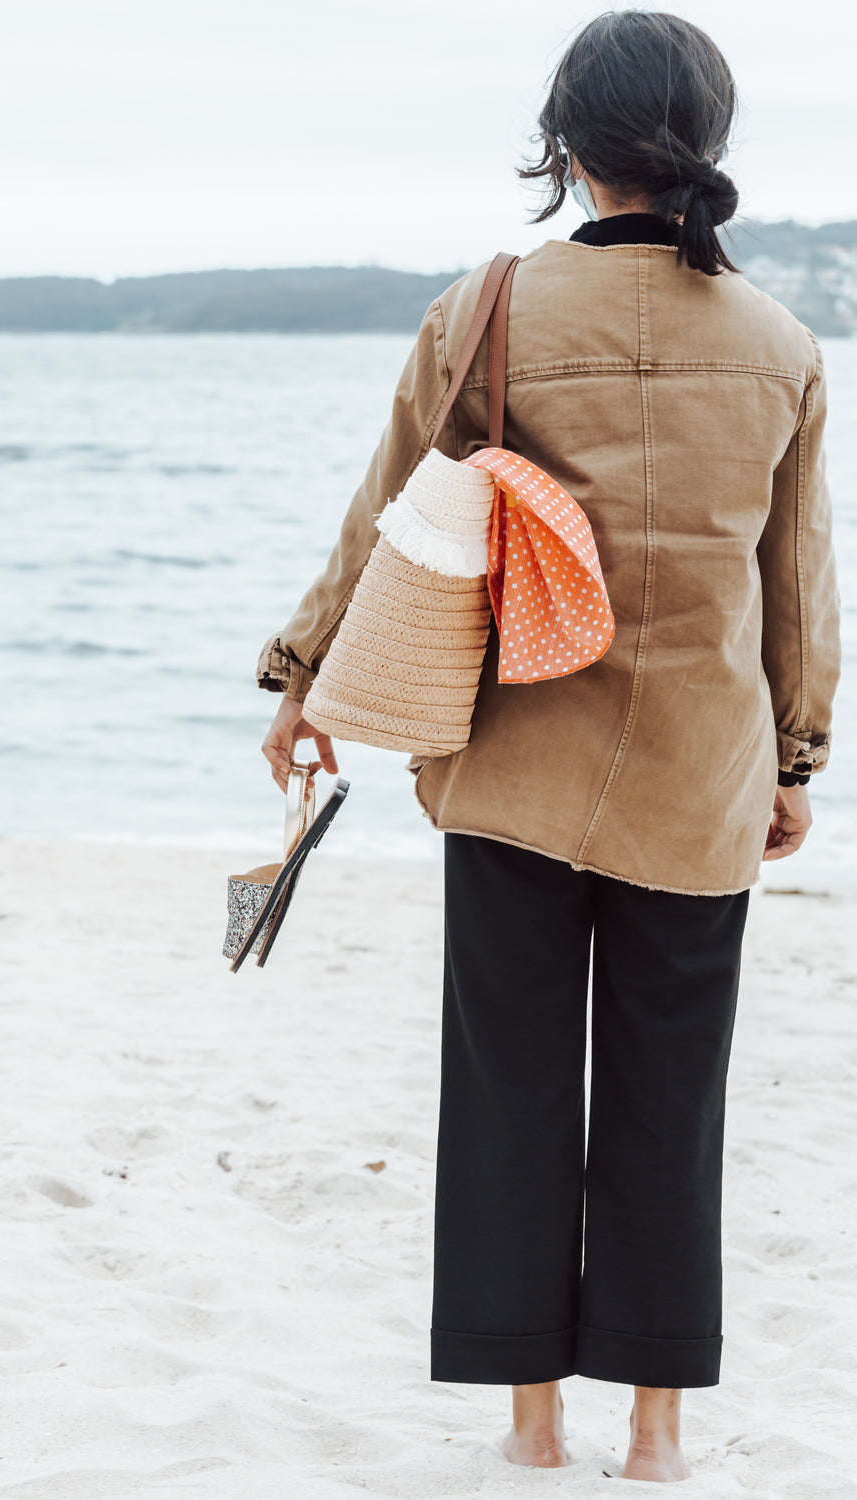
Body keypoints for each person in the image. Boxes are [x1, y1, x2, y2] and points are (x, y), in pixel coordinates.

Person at [256, 9, 840, 1485]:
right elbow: (800, 581)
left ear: (566, 142)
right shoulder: (777, 340)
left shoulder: (488, 304)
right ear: (703, 142)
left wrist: (305, 677)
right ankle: (655, 1432)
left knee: (509, 1085)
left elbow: (392, 516)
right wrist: (796, 759)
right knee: (674, 1096)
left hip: (512, 760)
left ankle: (532, 1420)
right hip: (700, 775)